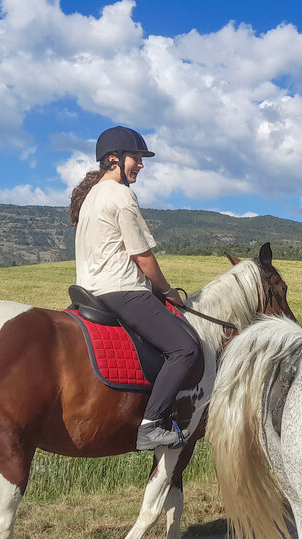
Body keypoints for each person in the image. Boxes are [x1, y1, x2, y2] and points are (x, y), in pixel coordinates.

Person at [68, 126, 202, 451]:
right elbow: (142, 257)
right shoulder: (121, 195)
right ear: (114, 159)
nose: (141, 165)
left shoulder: (91, 197)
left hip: (90, 290)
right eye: (136, 158)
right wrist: (167, 292)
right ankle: (151, 425)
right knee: (185, 348)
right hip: (122, 288)